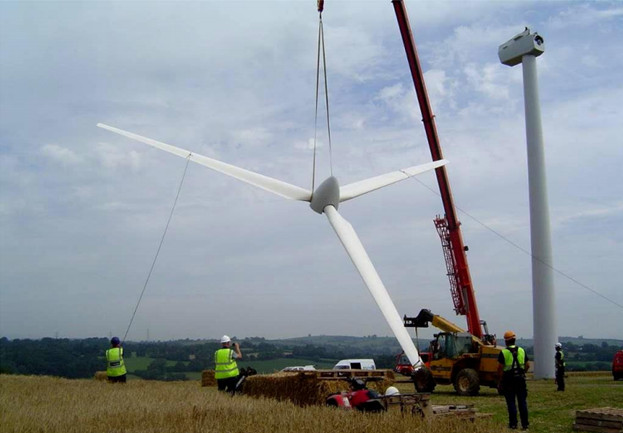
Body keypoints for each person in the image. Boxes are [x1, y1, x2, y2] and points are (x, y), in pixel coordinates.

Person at [498, 330, 529, 430]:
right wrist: (522, 372)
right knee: (522, 403)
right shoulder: (522, 351)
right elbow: (527, 365)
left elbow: (500, 369)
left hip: (509, 380)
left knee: (511, 402)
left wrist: (500, 381)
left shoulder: (503, 352)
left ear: (506, 341)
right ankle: (525, 424)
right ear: (514, 340)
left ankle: (513, 424)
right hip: (520, 379)